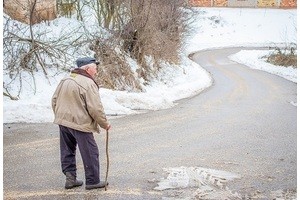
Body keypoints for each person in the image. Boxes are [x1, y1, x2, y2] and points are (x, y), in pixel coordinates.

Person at [52, 57, 111, 190]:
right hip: (80, 123)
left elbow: (54, 100)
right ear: (87, 69)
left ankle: (70, 179)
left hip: (63, 121)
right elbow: (95, 108)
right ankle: (93, 181)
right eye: (95, 68)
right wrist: (104, 124)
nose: (96, 71)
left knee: (67, 150)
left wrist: (60, 115)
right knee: (90, 151)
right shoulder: (88, 83)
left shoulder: (65, 80)